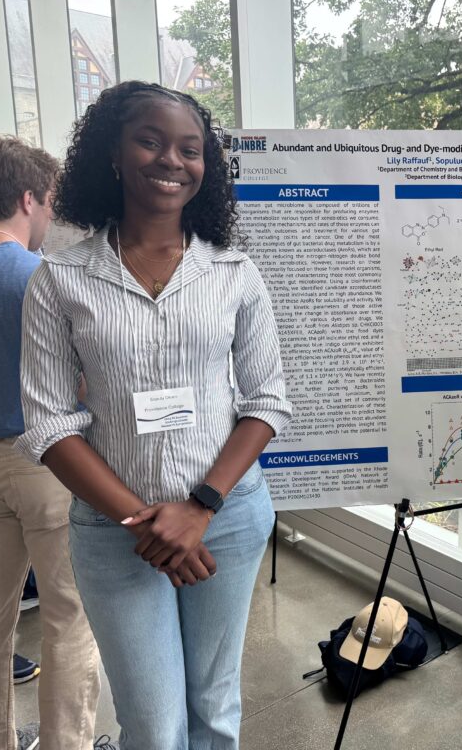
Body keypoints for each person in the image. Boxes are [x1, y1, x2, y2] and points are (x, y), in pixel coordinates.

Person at [16, 81, 291, 750]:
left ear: (206, 167)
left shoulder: (234, 273)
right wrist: (144, 523)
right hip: (116, 534)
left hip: (225, 519)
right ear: (113, 154)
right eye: (150, 141)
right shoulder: (60, 278)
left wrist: (198, 508)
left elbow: (265, 402)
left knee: (214, 709)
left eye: (190, 150)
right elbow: (49, 424)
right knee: (152, 724)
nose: (172, 160)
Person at [0, 134, 100, 750]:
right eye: (47, 204)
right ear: (27, 198)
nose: (48, 218)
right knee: (70, 616)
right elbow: (86, 380)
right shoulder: (38, 277)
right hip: (47, 462)